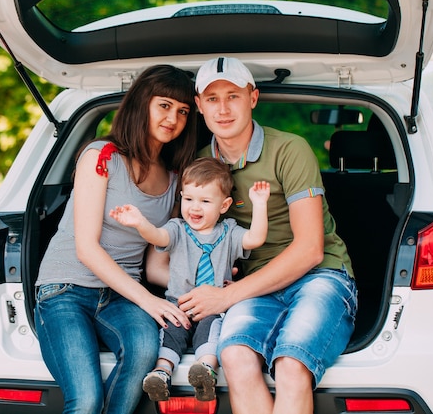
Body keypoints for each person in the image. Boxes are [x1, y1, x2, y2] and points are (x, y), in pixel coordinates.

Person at [176, 57, 358, 414]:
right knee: (235, 357)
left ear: (253, 98)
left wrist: (222, 298)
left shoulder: (290, 149)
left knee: (291, 363)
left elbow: (310, 250)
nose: (223, 109)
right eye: (212, 99)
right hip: (257, 286)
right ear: (199, 105)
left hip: (320, 278)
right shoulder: (198, 166)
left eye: (233, 96)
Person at [33, 64, 199, 414]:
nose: (173, 117)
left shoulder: (173, 181)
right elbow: (86, 249)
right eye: (164, 105)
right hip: (65, 289)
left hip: (119, 297)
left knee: (141, 351)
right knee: (87, 400)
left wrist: (206, 287)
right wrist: (150, 303)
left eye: (183, 111)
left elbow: (154, 268)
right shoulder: (101, 156)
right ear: (142, 103)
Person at [110, 157, 270, 402]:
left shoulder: (229, 232)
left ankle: (205, 371)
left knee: (211, 331)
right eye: (189, 199)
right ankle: (161, 373)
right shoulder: (177, 229)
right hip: (178, 304)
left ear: (224, 205)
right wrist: (140, 223)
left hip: (212, 307)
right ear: (182, 197)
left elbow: (256, 238)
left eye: (205, 201)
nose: (195, 208)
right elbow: (158, 236)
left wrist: (260, 205)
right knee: (170, 333)